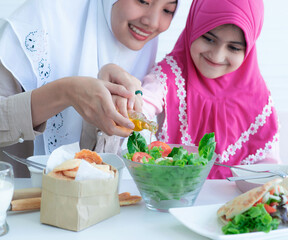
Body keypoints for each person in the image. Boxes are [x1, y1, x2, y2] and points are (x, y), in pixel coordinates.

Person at [0, 0, 179, 177]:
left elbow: (94, 165)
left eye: (168, 9)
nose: (152, 21)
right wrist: (67, 92)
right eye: (143, 0)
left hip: (69, 210)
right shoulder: (43, 18)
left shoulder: (143, 47)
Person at [98, 0, 280, 179]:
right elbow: (143, 104)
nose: (217, 56)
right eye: (208, 38)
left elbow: (269, 169)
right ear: (193, 28)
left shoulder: (257, 96)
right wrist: (129, 104)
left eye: (233, 47)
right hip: (174, 196)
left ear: (248, 50)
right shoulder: (171, 75)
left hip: (236, 203)